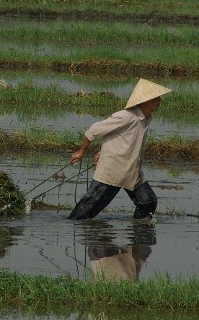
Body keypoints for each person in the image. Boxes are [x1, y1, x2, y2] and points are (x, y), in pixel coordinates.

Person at [68, 78, 171, 220]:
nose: (159, 100)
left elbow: (123, 139)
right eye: (155, 98)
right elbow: (95, 130)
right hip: (113, 171)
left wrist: (102, 151)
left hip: (132, 170)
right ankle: (72, 228)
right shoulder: (126, 116)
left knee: (148, 202)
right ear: (144, 101)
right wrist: (81, 152)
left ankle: (137, 237)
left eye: (159, 97)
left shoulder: (146, 119)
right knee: (85, 211)